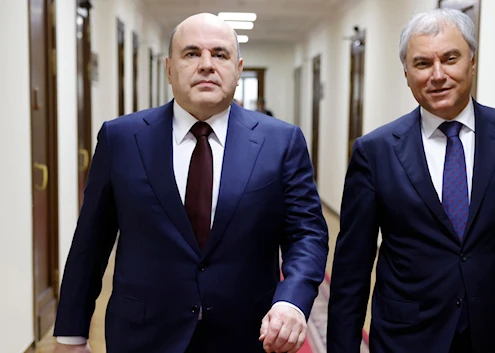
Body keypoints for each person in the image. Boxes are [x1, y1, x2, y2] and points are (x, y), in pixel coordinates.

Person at [53, 13, 328, 353]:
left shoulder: (281, 141)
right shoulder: (122, 138)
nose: (207, 65)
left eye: (220, 54)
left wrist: (292, 300)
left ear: (239, 69)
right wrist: (71, 335)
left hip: (248, 334)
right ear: (169, 68)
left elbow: (307, 234)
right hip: (143, 335)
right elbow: (90, 242)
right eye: (192, 53)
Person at [327, 8, 495, 353]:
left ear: (472, 62)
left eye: (450, 58)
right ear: (406, 72)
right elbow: (352, 267)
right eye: (422, 64)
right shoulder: (375, 152)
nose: (438, 75)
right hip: (407, 338)